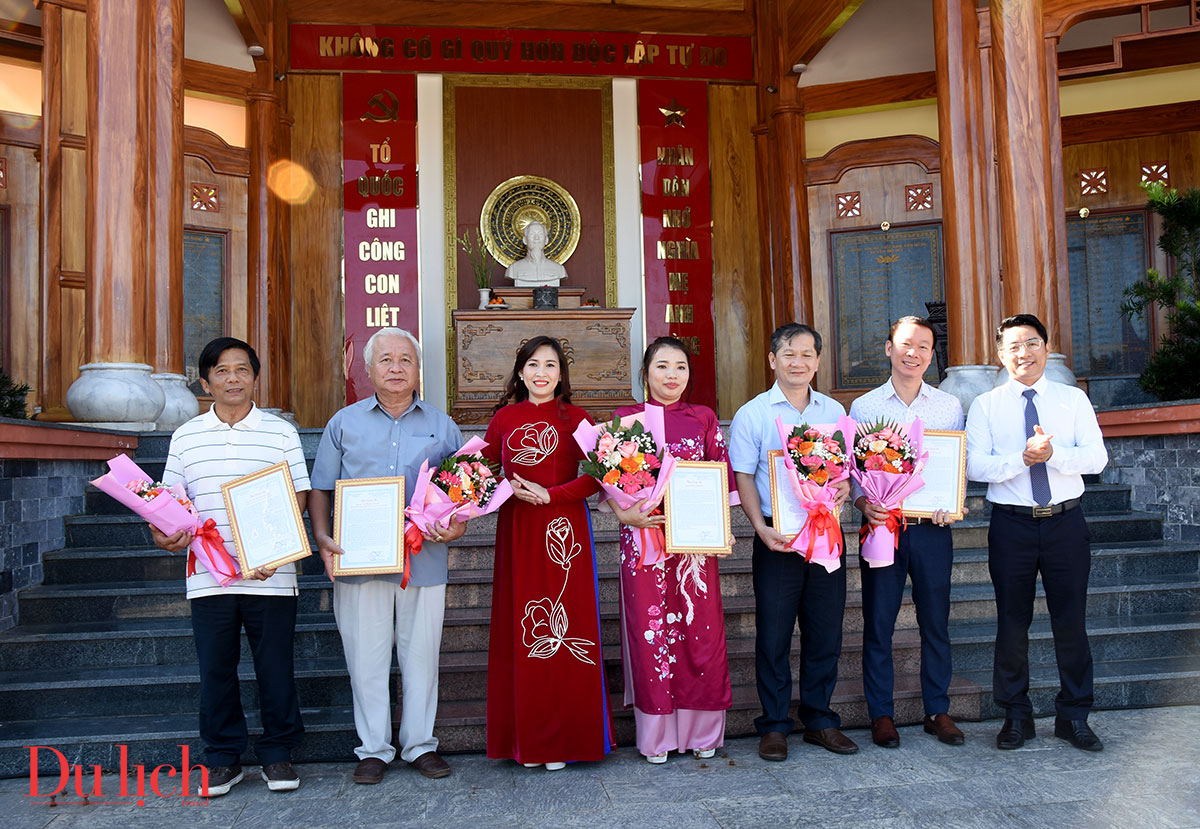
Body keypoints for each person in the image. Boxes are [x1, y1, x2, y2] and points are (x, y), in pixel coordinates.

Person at [308, 328, 466, 784]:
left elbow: (465, 492)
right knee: (366, 657)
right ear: (368, 368)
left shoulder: (443, 425)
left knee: (421, 658)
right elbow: (321, 488)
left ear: (418, 370)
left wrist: (458, 524)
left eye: (405, 361)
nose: (396, 368)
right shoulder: (344, 424)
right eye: (386, 360)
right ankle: (373, 748)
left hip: (424, 561)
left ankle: (419, 745)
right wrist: (322, 540)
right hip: (359, 562)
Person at [153, 337, 310, 796]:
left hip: (272, 575)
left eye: (242, 369)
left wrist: (273, 551)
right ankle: (222, 758)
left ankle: (278, 754)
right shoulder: (186, 436)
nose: (233, 378)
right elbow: (170, 505)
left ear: (255, 377)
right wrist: (164, 535)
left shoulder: (280, 432)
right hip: (208, 574)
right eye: (222, 371)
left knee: (275, 668)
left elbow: (297, 497)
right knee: (216, 669)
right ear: (206, 382)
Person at [966, 313, 1108, 752]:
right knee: (1012, 622)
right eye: (1013, 346)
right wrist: (1021, 460)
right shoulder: (986, 405)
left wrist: (1054, 455)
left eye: (1031, 343)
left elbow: (1097, 458)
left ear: (1046, 348)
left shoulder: (1073, 400)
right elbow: (974, 466)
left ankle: (1074, 716)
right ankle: (1015, 715)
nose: (1022, 353)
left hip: (1066, 522)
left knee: (1071, 622)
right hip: (1012, 525)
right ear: (999, 355)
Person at [482, 335, 613, 769]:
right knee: (523, 627)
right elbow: (481, 473)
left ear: (562, 374)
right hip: (517, 530)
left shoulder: (577, 419)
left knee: (564, 630)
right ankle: (527, 740)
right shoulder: (504, 419)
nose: (542, 373)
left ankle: (564, 741)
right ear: (520, 372)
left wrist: (551, 495)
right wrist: (496, 489)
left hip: (564, 533)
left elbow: (597, 477)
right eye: (534, 364)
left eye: (551, 365)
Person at [728, 323, 856, 760]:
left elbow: (845, 474)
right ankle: (775, 724)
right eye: (789, 354)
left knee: (825, 631)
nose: (798, 362)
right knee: (775, 634)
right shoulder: (754, 413)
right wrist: (758, 528)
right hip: (777, 537)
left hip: (825, 535)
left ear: (817, 361)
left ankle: (820, 719)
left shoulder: (836, 414)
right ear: (772, 360)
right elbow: (743, 475)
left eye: (806, 355)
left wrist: (842, 489)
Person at [610, 336, 735, 764]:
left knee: (699, 635)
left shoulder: (702, 417)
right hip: (644, 542)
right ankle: (657, 736)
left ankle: (702, 733)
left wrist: (722, 529)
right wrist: (624, 514)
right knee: (651, 635)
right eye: (662, 366)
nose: (672, 375)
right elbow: (604, 479)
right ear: (645, 373)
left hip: (694, 547)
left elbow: (720, 477)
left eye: (680, 366)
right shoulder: (624, 420)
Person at [849, 316, 967, 749]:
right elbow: (855, 475)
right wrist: (864, 504)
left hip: (932, 530)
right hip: (883, 527)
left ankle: (938, 709)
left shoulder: (948, 407)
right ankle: (882, 713)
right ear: (888, 349)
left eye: (922, 346)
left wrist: (953, 505)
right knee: (879, 623)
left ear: (931, 355)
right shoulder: (863, 407)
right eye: (904, 344)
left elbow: (956, 466)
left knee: (935, 621)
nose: (912, 353)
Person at [504, 221, 568, 287]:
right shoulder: (513, 269)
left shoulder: (559, 269)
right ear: (525, 240)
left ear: (546, 240)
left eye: (540, 234)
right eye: (532, 234)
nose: (536, 238)